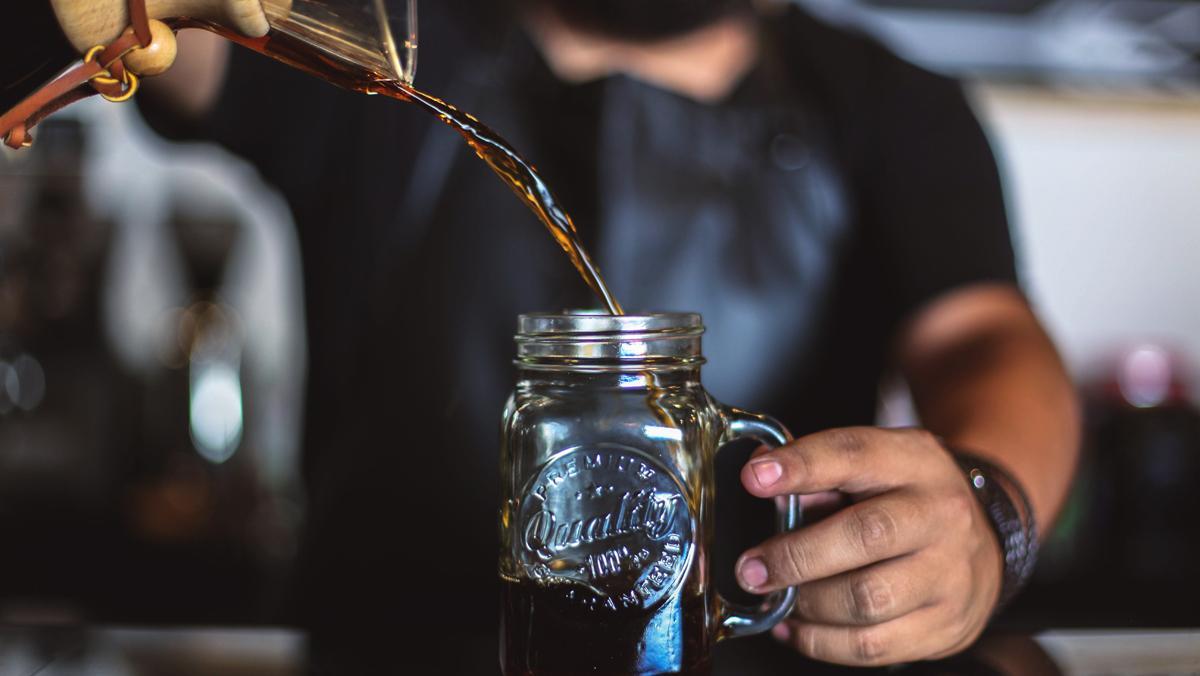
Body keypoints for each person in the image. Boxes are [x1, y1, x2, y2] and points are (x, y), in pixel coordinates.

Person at [13, 0, 1081, 668]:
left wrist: (992, 513)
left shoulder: (891, 106)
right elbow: (175, 44)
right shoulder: (373, 49)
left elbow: (988, 337)